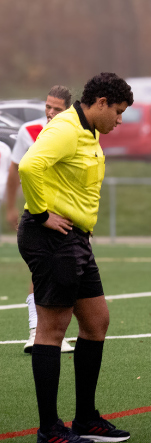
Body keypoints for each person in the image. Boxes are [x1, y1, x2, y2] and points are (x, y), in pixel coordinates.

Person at [17, 73, 133, 443]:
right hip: (50, 236)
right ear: (100, 102)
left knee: (97, 321)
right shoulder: (65, 127)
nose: (120, 120)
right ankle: (49, 431)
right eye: (117, 112)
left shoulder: (91, 131)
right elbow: (29, 167)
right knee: (52, 329)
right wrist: (40, 214)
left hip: (75, 238)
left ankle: (85, 419)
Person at [5, 86, 74, 353]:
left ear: (68, 109)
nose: (51, 113)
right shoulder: (30, 131)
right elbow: (16, 171)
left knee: (69, 273)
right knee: (41, 270)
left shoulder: (77, 132)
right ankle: (36, 331)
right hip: (39, 213)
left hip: (69, 215)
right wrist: (12, 208)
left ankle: (55, 332)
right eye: (48, 107)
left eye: (57, 109)